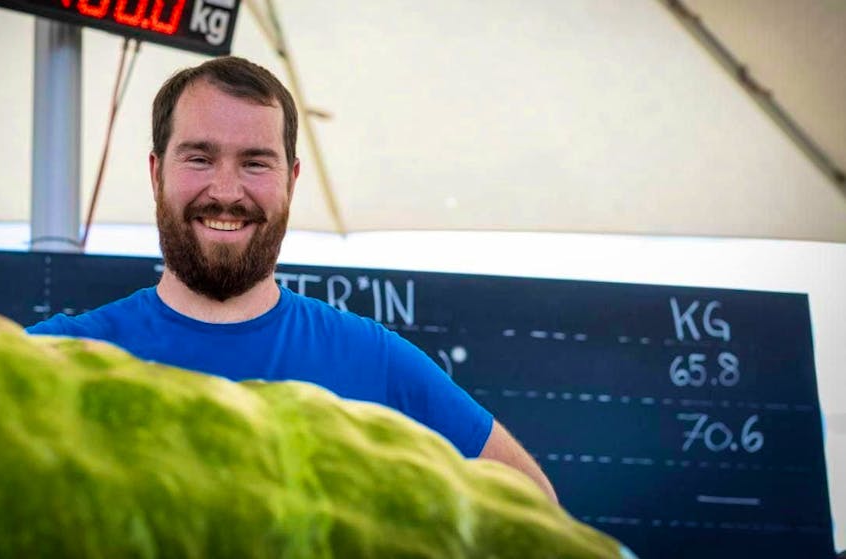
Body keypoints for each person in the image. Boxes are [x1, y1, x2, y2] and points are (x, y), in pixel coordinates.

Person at [27, 56, 557, 503]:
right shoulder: (56, 360)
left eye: (256, 162)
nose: (226, 190)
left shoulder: (376, 362)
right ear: (156, 172)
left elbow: (534, 512)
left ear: (291, 179)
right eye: (199, 157)